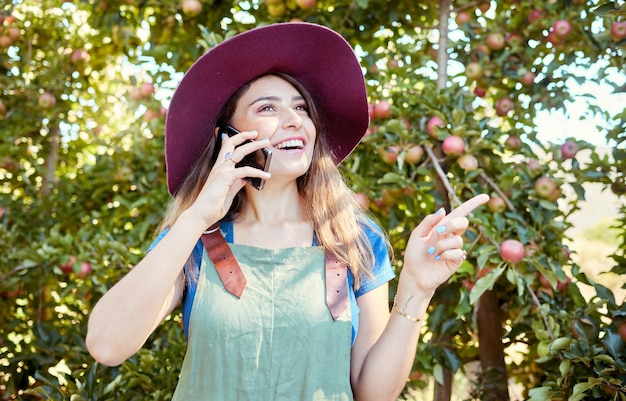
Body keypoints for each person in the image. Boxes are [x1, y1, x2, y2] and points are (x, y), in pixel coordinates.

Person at [86, 22, 489, 400]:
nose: (295, 120)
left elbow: (372, 392)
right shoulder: (194, 240)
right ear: (228, 136)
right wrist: (194, 216)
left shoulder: (355, 239)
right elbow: (107, 345)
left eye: (301, 108)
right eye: (267, 108)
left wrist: (416, 290)